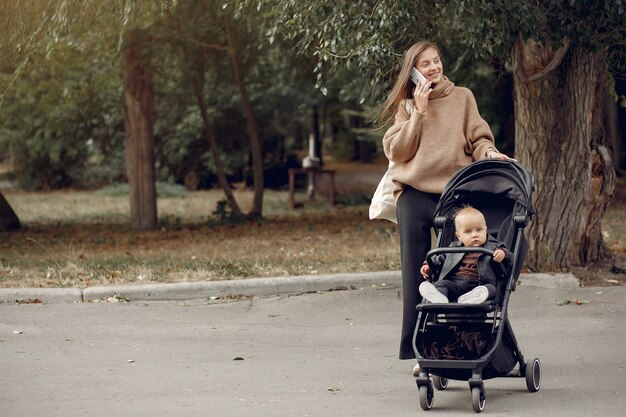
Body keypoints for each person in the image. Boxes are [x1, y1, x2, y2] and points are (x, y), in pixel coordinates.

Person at [378, 40, 512, 376]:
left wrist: (490, 154)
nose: (434, 68)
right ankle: (420, 351)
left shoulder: (463, 97)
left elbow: (479, 139)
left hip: (454, 194)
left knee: (458, 269)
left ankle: (458, 345)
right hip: (414, 195)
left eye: (436, 61)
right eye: (425, 64)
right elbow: (398, 152)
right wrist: (418, 114)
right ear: (414, 71)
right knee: (416, 274)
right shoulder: (407, 106)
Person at [418, 206, 512, 304]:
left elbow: (510, 259)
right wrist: (428, 265)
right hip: (456, 284)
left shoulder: (493, 248)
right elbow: (439, 258)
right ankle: (439, 298)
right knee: (441, 284)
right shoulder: (454, 248)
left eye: (479, 230)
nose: (474, 235)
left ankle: (474, 297)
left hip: (480, 284)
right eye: (468, 232)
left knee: (491, 289)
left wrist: (503, 254)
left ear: (485, 229)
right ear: (459, 236)